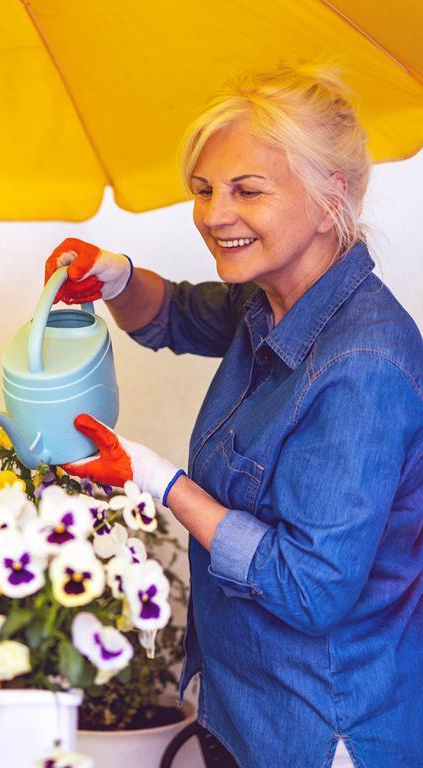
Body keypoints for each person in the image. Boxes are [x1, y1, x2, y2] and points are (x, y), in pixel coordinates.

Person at [44, 64, 423, 768]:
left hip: (322, 732)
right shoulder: (275, 298)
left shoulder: (363, 364)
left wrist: (155, 479)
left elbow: (310, 589)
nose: (215, 214)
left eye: (248, 190)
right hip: (244, 709)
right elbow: (178, 315)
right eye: (204, 190)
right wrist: (117, 275)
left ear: (329, 195)